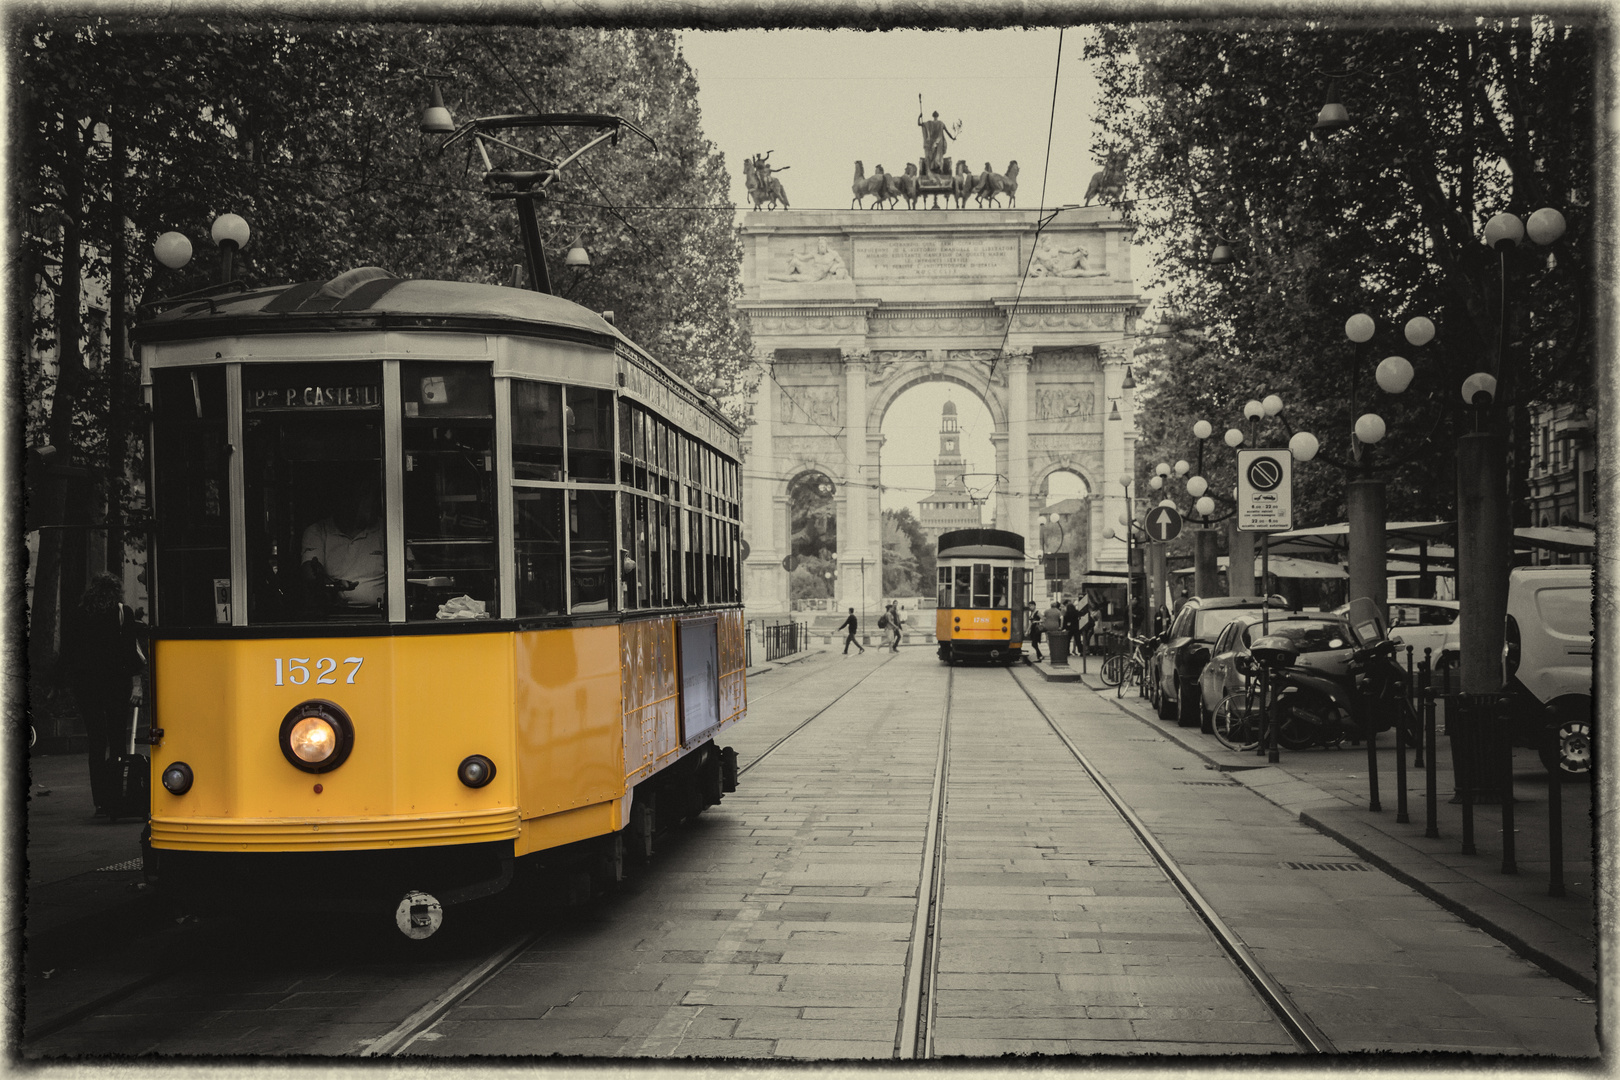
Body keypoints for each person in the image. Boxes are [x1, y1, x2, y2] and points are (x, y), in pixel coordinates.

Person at [64, 573, 145, 817]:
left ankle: (100, 801)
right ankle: (117, 796)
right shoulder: (123, 613)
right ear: (117, 591)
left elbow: (69, 652)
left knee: (96, 742)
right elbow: (131, 652)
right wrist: (136, 684)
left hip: (87, 686)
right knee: (118, 739)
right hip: (115, 685)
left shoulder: (79, 614)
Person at [302, 475, 387, 611]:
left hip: (383, 615)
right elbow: (311, 573)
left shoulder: (386, 529)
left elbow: (410, 569)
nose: (375, 503)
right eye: (365, 497)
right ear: (348, 501)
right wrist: (332, 586)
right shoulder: (318, 531)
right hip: (334, 615)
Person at [917, 109, 957, 177]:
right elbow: (948, 133)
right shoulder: (941, 123)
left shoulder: (929, 123)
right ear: (937, 116)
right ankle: (939, 168)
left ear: (933, 116)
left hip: (933, 143)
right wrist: (953, 138)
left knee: (933, 156)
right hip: (939, 142)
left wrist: (919, 117)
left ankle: (935, 169)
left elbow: (919, 124)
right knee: (939, 156)